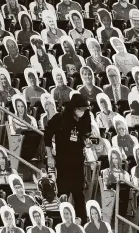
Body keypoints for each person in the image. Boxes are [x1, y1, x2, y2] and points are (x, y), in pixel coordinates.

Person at [45, 94, 93, 222]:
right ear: (73, 108)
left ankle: (82, 222)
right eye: (80, 109)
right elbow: (47, 135)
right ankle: (62, 222)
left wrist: (86, 140)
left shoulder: (85, 119)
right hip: (63, 162)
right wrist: (50, 155)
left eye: (84, 110)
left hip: (78, 162)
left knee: (79, 194)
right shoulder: (60, 118)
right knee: (63, 193)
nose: (82, 112)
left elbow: (85, 134)